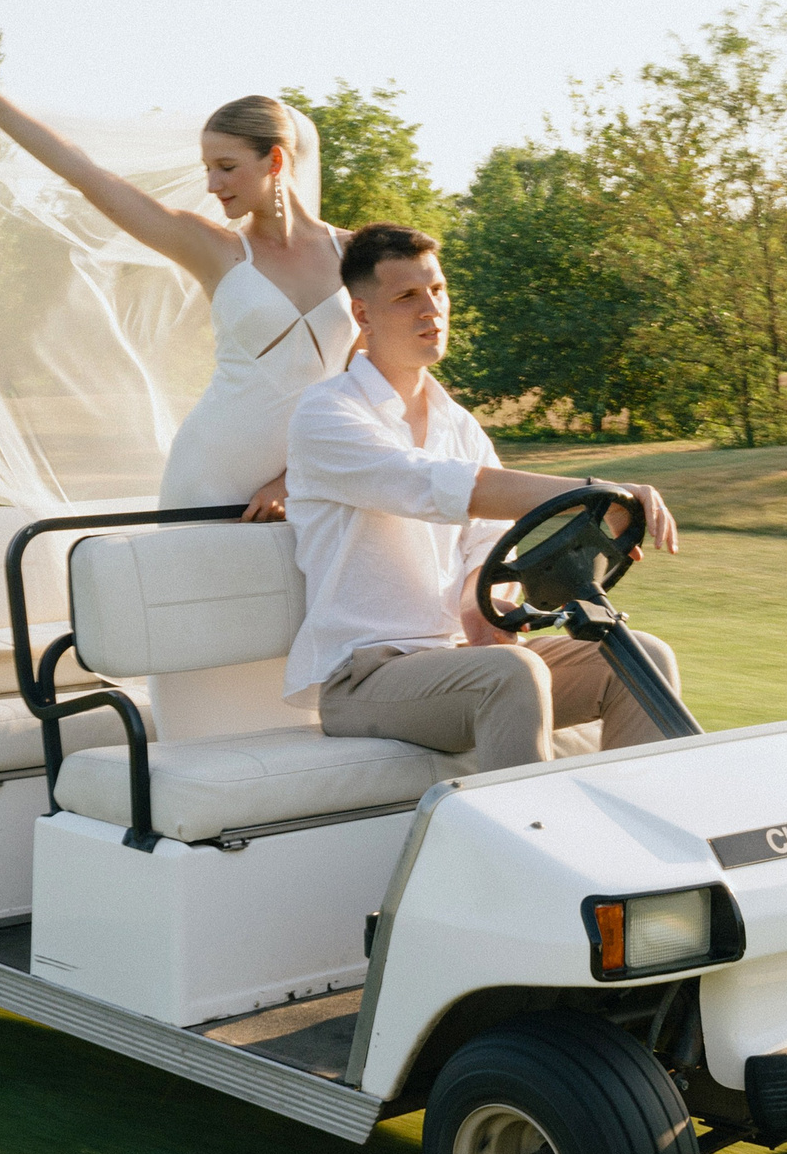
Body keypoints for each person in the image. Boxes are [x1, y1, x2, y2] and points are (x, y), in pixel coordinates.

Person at [285, 223, 685, 771]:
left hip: (458, 662)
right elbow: (440, 488)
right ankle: (532, 845)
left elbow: (488, 539)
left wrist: (481, 603)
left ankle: (641, 837)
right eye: (407, 296)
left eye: (438, 290)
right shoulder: (327, 414)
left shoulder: (459, 423)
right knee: (512, 675)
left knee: (642, 658)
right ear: (363, 315)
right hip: (365, 677)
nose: (432, 309)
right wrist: (595, 494)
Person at [0, 30, 353, 519]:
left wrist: (291, 479)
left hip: (312, 485)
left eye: (226, 167)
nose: (212, 185)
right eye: (207, 167)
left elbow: (370, 385)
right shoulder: (214, 249)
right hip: (210, 476)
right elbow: (86, 174)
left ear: (275, 160)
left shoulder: (357, 256)